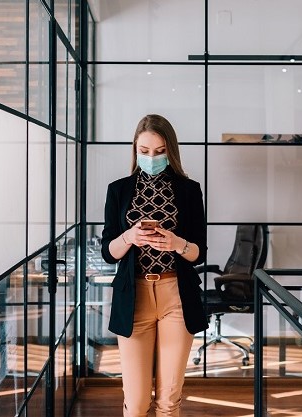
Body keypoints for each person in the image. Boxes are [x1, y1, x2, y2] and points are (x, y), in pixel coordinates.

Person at [100, 114, 208, 417]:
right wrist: (129, 236)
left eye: (159, 151)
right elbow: (109, 252)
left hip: (176, 293)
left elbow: (198, 252)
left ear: (170, 151)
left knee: (168, 399)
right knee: (136, 403)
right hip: (134, 297)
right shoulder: (118, 190)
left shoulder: (189, 190)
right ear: (135, 150)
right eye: (144, 151)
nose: (151, 157)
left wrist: (177, 244)